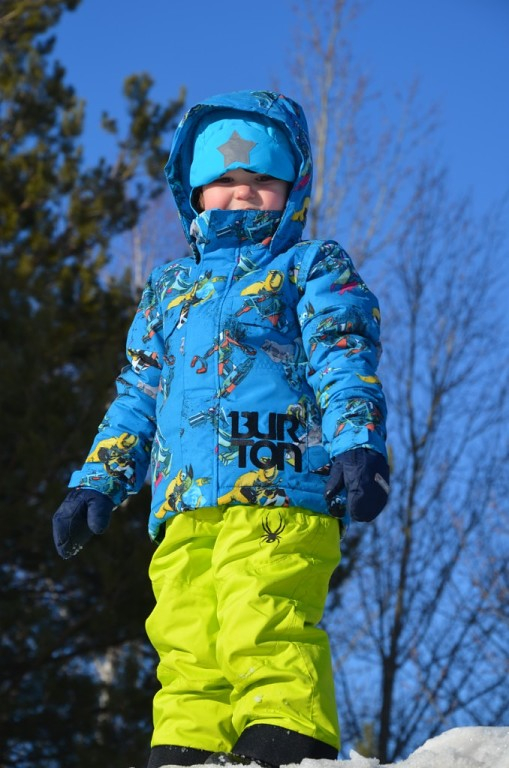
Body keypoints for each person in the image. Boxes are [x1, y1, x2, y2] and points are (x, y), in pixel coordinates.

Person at [53, 90, 390, 768]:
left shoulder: (309, 266)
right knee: (185, 633)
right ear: (195, 192)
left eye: (262, 179)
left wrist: (357, 442)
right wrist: (98, 481)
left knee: (261, 611)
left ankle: (286, 735)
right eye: (226, 179)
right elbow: (138, 394)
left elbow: (341, 355)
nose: (243, 193)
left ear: (291, 188)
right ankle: (189, 744)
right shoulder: (169, 289)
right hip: (183, 504)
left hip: (278, 485)